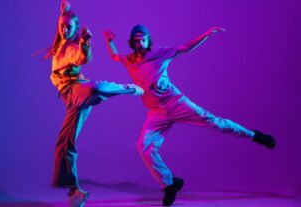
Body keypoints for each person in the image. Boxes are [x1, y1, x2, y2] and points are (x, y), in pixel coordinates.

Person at [103, 25, 276, 206]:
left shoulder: (161, 53)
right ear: (132, 42)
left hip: (176, 103)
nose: (140, 43)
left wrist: (206, 35)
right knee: (143, 147)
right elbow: (115, 56)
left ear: (148, 40)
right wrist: (109, 40)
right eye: (136, 40)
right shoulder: (130, 60)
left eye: (143, 39)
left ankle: (254, 135)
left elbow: (185, 48)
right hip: (156, 112)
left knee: (216, 123)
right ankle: (169, 183)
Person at [45, 2, 144, 206]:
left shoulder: (73, 47)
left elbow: (82, 58)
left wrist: (86, 43)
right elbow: (62, 26)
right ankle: (75, 191)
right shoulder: (59, 42)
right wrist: (63, 12)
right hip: (71, 101)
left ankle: (128, 88)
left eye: (68, 28)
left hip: (77, 89)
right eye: (62, 26)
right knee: (63, 144)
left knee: (94, 89)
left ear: (75, 30)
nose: (64, 30)